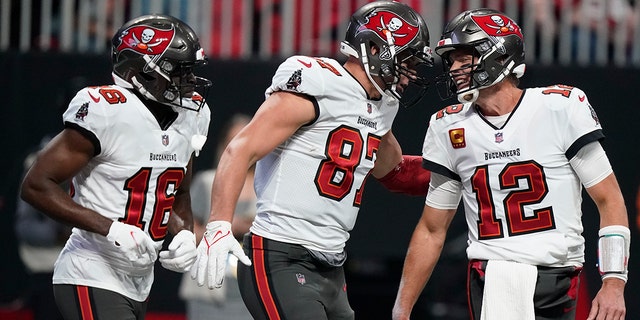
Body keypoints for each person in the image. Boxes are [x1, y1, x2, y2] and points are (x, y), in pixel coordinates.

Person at [190, 1, 433, 319]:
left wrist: (460, 170)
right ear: (374, 47)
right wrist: (219, 224)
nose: (411, 71)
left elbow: (396, 172)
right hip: (281, 254)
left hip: (332, 265)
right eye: (407, 59)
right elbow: (240, 149)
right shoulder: (317, 81)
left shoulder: (382, 105)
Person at [392, 8, 629, 320]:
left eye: (465, 59)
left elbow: (609, 199)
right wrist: (401, 309)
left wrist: (613, 282)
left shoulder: (559, 107)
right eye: (451, 61)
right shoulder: (448, 127)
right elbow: (432, 229)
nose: (455, 69)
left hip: (558, 276)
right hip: (490, 275)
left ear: (500, 55)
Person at [19, 14, 212, 320]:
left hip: (140, 280)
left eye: (190, 71)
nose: (188, 81)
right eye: (178, 71)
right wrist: (110, 228)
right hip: (91, 269)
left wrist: (185, 233)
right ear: (140, 72)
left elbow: (178, 193)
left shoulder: (193, 115)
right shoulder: (107, 110)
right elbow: (35, 185)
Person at [179, 114, 255, 320]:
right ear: (225, 146)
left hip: (253, 293)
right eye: (235, 141)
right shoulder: (207, 182)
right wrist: (227, 227)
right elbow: (186, 233)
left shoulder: (268, 189)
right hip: (209, 290)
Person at [14, 135, 70, 320]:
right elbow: (24, 226)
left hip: (86, 269)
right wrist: (57, 234)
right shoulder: (36, 165)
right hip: (47, 269)